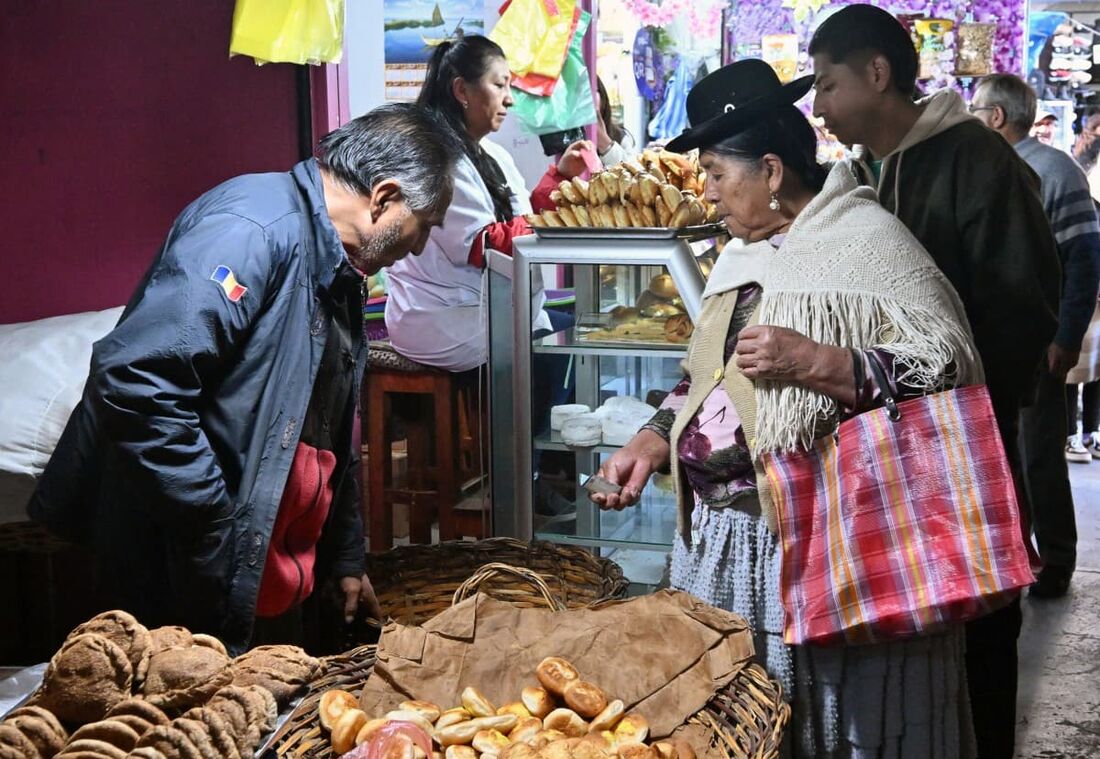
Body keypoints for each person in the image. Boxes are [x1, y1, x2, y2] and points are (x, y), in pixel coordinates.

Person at [592, 59, 983, 758]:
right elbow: (706, 375)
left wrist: (817, 361)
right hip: (727, 548)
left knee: (823, 726)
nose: (707, 194)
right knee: (747, 723)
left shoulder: (863, 245)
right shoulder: (744, 257)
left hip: (822, 551)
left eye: (716, 173)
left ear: (770, 171)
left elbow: (946, 364)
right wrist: (654, 439)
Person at [28, 104, 462, 655]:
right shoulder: (253, 229)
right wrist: (214, 519)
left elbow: (328, 429)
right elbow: (137, 377)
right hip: (178, 555)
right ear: (384, 197)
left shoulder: (337, 262)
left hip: (253, 559)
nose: (420, 246)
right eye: (424, 226)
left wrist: (343, 557)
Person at [808, 7, 1061, 757]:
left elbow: (1025, 308)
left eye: (827, 84)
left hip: (964, 442)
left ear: (878, 74)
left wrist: (935, 387)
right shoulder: (860, 173)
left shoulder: (977, 162)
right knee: (908, 627)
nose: (817, 105)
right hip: (883, 445)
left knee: (977, 618)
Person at [384, 34, 591, 372]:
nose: (509, 100)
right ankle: (516, 427)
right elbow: (486, 243)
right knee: (563, 356)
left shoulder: (492, 153)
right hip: (444, 317)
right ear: (462, 91)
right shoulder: (436, 157)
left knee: (573, 334)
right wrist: (571, 221)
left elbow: (523, 218)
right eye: (499, 85)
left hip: (489, 307)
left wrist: (560, 178)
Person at [969, 73, 1100, 599]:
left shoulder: (1053, 170)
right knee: (1009, 455)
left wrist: (1066, 339)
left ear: (996, 117)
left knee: (1039, 454)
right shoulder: (998, 167)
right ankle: (1020, 555)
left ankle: (1058, 562)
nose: (972, 119)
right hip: (1004, 343)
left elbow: (1086, 260)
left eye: (976, 110)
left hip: (1039, 343)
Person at [594, 76, 635, 166]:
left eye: (593, 91)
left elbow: (633, 175)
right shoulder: (562, 140)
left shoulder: (620, 137)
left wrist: (605, 143)